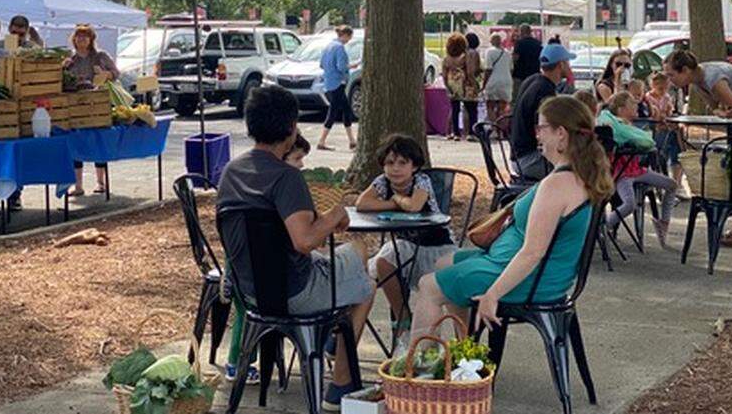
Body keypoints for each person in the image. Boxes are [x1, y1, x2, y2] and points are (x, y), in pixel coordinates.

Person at [216, 86, 374, 410]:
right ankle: (340, 384)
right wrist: (334, 216)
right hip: (294, 292)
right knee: (366, 281)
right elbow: (304, 241)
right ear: (291, 128)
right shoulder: (287, 177)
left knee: (348, 261)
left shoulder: (231, 172)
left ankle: (333, 337)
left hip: (251, 294)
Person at [409, 95, 614, 339]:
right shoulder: (578, 175)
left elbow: (532, 252)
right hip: (533, 271)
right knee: (445, 263)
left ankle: (421, 368)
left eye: (541, 128)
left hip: (532, 280)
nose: (537, 135)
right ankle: (464, 352)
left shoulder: (558, 185)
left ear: (561, 133)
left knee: (429, 286)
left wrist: (493, 294)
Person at [225, 131, 310, 385]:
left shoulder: (250, 179)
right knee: (247, 313)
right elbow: (302, 239)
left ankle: (254, 359)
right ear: (281, 158)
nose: (302, 165)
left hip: (243, 265)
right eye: (297, 158)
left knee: (249, 312)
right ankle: (237, 362)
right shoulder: (281, 185)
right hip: (251, 271)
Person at [355, 134, 455, 345]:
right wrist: (393, 204)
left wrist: (398, 199)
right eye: (390, 163)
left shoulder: (422, 181)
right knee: (384, 261)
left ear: (415, 166)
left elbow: (415, 206)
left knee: (442, 284)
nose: (395, 169)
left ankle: (433, 339)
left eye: (402, 163)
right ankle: (402, 318)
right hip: (408, 245)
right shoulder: (382, 182)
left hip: (437, 246)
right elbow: (362, 204)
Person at [598, 93, 679, 247]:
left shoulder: (624, 125)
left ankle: (664, 222)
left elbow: (646, 143)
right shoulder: (615, 126)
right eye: (632, 104)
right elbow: (646, 142)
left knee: (672, 184)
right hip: (622, 172)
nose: (637, 107)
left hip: (637, 169)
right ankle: (604, 224)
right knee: (629, 203)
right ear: (622, 109)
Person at [64, 24, 120, 196]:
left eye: (85, 37)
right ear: (74, 39)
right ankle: (78, 185)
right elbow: (61, 79)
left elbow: (116, 73)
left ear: (91, 40)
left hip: (97, 104)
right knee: (76, 143)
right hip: (76, 105)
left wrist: (104, 74)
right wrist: (62, 68)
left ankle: (101, 183)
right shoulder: (70, 58)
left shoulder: (100, 56)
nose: (82, 39)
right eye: (79, 36)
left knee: (98, 142)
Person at [509, 44, 577, 182]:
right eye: (567, 62)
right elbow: (549, 131)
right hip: (530, 160)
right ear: (561, 64)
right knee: (581, 170)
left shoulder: (532, 80)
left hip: (517, 156)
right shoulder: (545, 91)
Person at [317, 26, 357, 151]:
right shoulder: (340, 48)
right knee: (333, 112)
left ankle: (352, 141)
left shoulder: (328, 46)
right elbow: (341, 67)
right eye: (349, 37)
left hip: (329, 83)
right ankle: (321, 141)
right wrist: (350, 66)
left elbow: (321, 64)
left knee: (346, 110)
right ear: (345, 35)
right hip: (338, 83)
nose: (349, 40)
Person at [645, 72, 683, 187]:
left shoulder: (666, 97)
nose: (663, 91)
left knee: (676, 138)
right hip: (656, 128)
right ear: (653, 85)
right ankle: (663, 177)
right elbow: (653, 115)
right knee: (663, 147)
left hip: (666, 126)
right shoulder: (648, 98)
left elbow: (669, 112)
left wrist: (668, 114)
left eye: (666, 88)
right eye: (661, 88)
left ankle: (676, 181)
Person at [442, 33, 480, 141]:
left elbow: (444, 75)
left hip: (452, 84)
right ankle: (471, 133)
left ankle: (456, 133)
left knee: (455, 109)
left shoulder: (446, 59)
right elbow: (469, 71)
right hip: (465, 84)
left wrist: (448, 87)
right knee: (471, 108)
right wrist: (475, 84)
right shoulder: (465, 56)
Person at [482, 32, 513, 124]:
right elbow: (511, 69)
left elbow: (488, 69)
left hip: (493, 81)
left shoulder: (489, 52)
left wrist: (484, 84)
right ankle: (502, 130)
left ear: (491, 41)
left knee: (490, 106)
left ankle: (494, 128)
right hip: (506, 82)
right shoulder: (507, 53)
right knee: (503, 107)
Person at [511, 23, 542, 99]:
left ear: (521, 31)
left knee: (518, 98)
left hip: (520, 75)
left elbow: (515, 58)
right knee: (532, 98)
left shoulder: (519, 43)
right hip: (534, 74)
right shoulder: (538, 43)